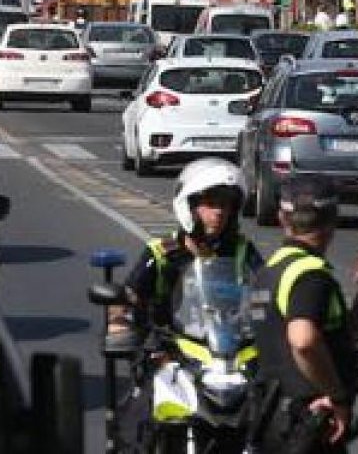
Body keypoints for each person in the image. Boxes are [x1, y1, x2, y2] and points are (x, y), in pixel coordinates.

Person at [107, 160, 263, 447]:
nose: (219, 212)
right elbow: (127, 298)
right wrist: (120, 327)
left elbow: (265, 293)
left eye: (226, 204)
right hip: (171, 353)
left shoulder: (243, 251)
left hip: (230, 356)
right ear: (188, 206)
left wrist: (274, 326)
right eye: (211, 203)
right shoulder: (162, 253)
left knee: (272, 422)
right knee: (133, 426)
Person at [248, 175, 358, 453]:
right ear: (332, 219)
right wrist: (337, 397)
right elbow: (304, 340)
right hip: (307, 420)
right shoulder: (310, 276)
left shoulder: (268, 272)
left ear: (282, 219)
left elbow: (344, 338)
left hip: (272, 418)